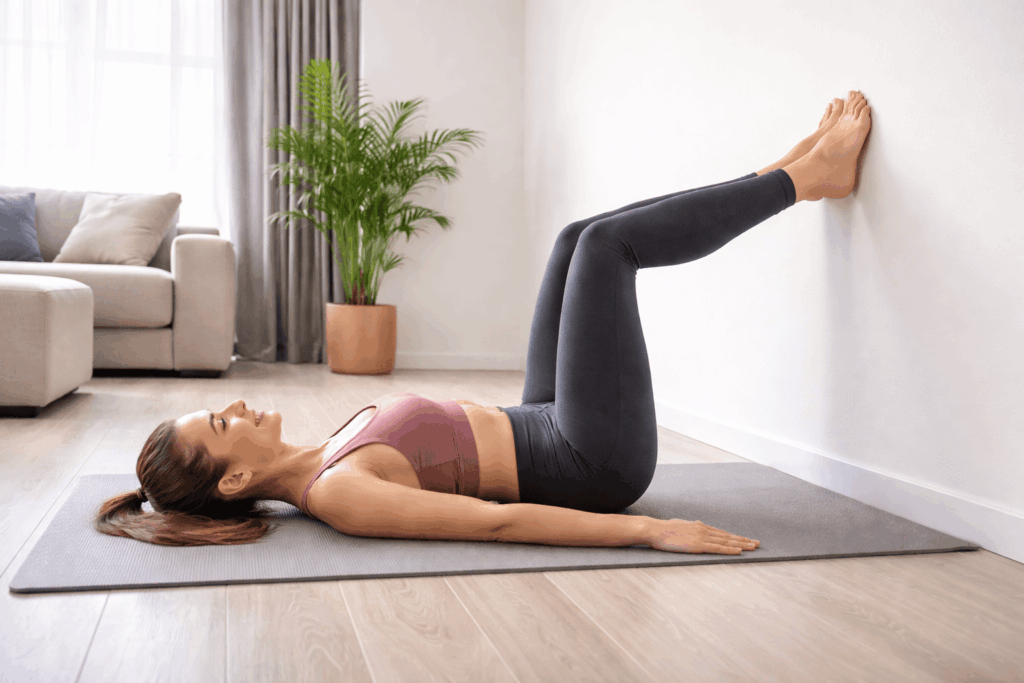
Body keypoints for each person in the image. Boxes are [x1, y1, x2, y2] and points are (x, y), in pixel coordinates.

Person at [97, 91, 872, 554]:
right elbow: (492, 527)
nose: (234, 405)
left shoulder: (317, 455)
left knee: (574, 240)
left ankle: (785, 169)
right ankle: (803, 180)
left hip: (538, 418)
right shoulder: (340, 494)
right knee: (609, 248)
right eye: (221, 423)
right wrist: (651, 532)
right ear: (233, 477)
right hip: (589, 462)